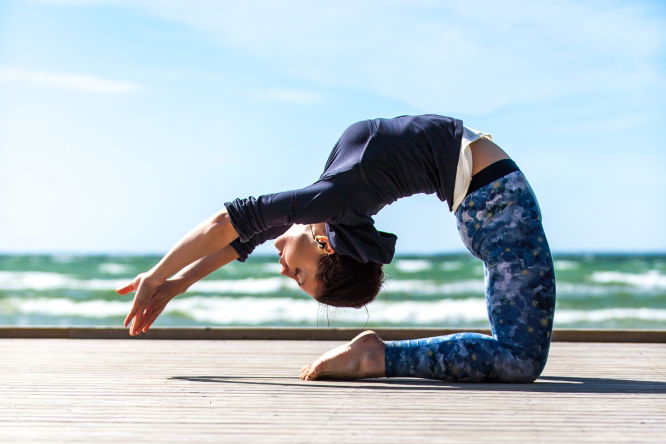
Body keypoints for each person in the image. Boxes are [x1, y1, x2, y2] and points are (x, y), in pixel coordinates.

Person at [117, 114, 556, 384]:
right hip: (495, 205)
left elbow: (231, 225)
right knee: (520, 359)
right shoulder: (333, 204)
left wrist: (163, 278)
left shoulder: (334, 201)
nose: (286, 272)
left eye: (300, 276)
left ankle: (375, 355)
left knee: (517, 357)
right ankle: (377, 356)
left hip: (494, 204)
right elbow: (240, 232)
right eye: (299, 277)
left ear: (324, 244)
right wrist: (175, 283)